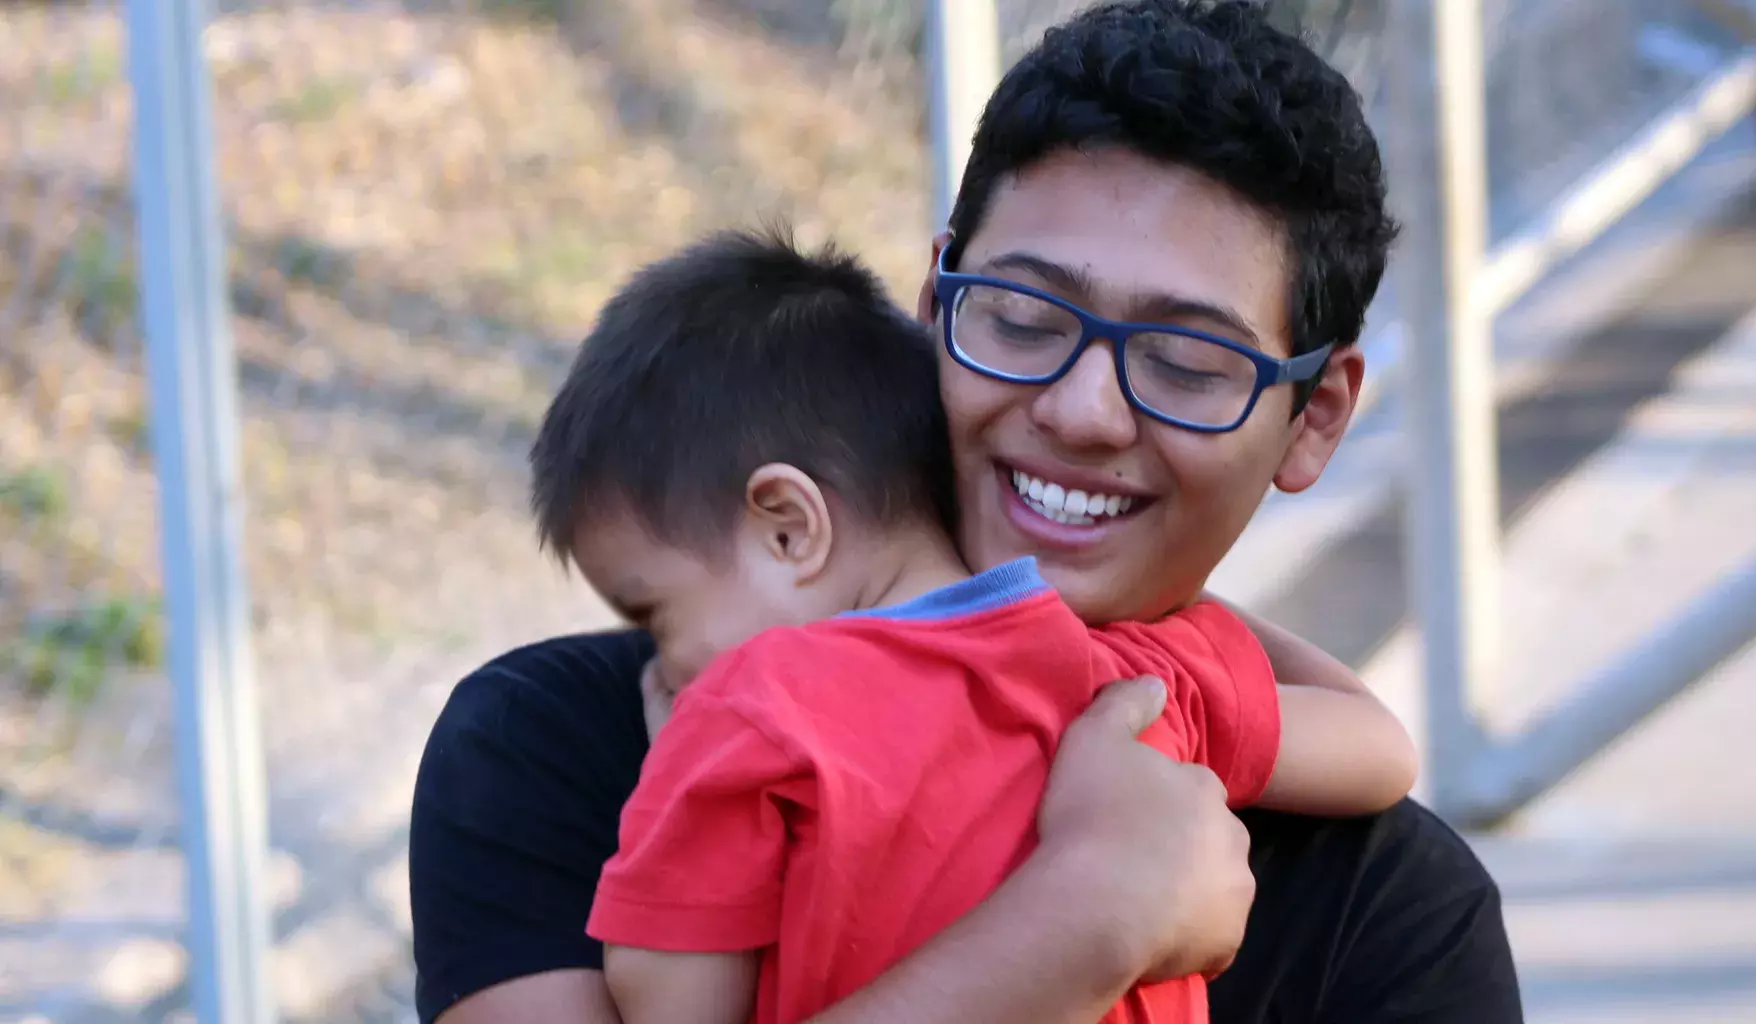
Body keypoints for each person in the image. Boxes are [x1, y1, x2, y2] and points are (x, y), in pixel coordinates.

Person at [408, 2, 1525, 1021]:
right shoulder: (560, 751)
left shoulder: (1387, 921)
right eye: (1026, 314)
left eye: (1188, 359)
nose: (1084, 411)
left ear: (1314, 418)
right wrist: (1086, 922)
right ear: (937, 301)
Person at [538, 229, 1418, 1024]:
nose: (659, 664)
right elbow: (1379, 749)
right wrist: (1178, 590)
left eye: (656, 611)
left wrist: (671, 785)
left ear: (789, 525)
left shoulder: (747, 714)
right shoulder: (1134, 678)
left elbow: (673, 1005)